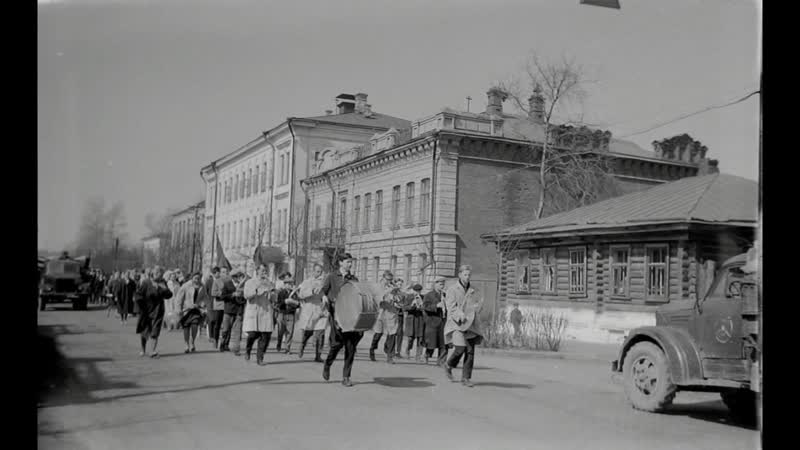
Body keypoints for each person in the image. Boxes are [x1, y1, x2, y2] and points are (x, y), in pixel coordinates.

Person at [321, 253, 361, 387]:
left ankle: (346, 377)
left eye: (351, 262)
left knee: (350, 347)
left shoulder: (353, 278)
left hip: (350, 315)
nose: (350, 264)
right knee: (336, 345)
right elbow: (322, 290)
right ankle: (328, 364)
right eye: (348, 262)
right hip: (336, 315)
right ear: (341, 263)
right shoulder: (332, 276)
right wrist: (324, 297)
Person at [443, 265, 484, 388]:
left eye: (469, 275)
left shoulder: (474, 289)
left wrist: (477, 308)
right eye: (465, 275)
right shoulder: (452, 289)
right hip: (457, 323)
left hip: (470, 323)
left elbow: (478, 303)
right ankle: (449, 365)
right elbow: (451, 307)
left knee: (470, 351)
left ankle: (466, 378)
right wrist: (460, 315)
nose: (467, 277)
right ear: (460, 275)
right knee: (460, 348)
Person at [134, 266, 173, 358]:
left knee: (155, 331)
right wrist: (141, 306)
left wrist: (162, 288)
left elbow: (169, 295)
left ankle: (152, 351)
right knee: (144, 331)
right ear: (153, 273)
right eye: (157, 273)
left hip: (158, 310)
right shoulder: (146, 282)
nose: (160, 276)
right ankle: (143, 350)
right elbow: (138, 295)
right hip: (146, 310)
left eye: (160, 274)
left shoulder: (163, 283)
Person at [243, 264, 275, 365]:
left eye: (265, 271)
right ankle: (248, 349)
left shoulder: (269, 283)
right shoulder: (250, 282)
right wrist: (256, 291)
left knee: (265, 336)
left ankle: (260, 358)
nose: (264, 272)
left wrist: (272, 293)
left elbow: (274, 298)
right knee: (253, 334)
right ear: (257, 271)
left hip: (265, 312)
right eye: (262, 271)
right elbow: (246, 295)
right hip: (254, 311)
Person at [297, 263, 328, 362]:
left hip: (320, 310)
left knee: (321, 333)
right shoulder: (307, 282)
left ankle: (318, 355)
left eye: (320, 272)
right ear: (313, 271)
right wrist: (312, 291)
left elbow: (325, 292)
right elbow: (301, 295)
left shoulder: (324, 283)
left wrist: (324, 297)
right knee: (308, 332)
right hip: (310, 310)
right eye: (317, 271)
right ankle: (302, 344)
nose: (319, 274)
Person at [369, 271, 401, 364]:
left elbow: (398, 298)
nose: (389, 282)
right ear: (383, 278)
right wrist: (387, 292)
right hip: (380, 312)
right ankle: (372, 349)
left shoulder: (392, 287)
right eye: (388, 280)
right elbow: (377, 299)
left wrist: (396, 297)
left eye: (391, 280)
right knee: (378, 334)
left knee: (392, 334)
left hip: (391, 313)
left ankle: (390, 356)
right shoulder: (377, 287)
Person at [176, 272, 208, 353]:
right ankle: (186, 344)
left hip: (196, 310)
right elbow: (179, 298)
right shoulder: (186, 286)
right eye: (195, 278)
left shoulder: (202, 286)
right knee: (186, 327)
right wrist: (178, 309)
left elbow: (205, 298)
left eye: (199, 278)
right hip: (187, 310)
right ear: (192, 278)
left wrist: (202, 304)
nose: (197, 280)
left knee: (195, 325)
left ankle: (192, 341)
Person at [422, 276, 448, 366]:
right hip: (432, 321)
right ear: (435, 285)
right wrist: (436, 306)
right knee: (432, 342)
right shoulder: (429, 295)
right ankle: (427, 355)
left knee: (444, 342)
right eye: (440, 284)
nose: (442, 286)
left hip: (444, 321)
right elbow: (425, 307)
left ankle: (441, 361)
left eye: (443, 284)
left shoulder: (445, 295)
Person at [217, 268, 241, 353]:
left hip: (237, 310)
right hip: (228, 309)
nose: (238, 278)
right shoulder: (227, 284)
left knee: (232, 329)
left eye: (239, 276)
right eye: (237, 276)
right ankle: (222, 344)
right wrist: (232, 295)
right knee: (226, 329)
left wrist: (240, 296)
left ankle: (227, 345)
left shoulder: (240, 285)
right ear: (233, 277)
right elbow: (222, 296)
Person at [275, 276, 299, 354]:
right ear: (284, 284)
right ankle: (279, 344)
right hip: (282, 314)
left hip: (291, 314)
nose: (289, 285)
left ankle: (287, 348)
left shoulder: (294, 293)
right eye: (287, 283)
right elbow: (278, 304)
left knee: (290, 332)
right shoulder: (281, 293)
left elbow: (298, 304)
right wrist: (285, 301)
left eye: (290, 283)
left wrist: (295, 303)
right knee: (280, 331)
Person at [402, 284, 426, 362]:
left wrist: (422, 306)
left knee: (420, 339)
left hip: (420, 320)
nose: (417, 292)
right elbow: (404, 308)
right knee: (410, 339)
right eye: (416, 291)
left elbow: (425, 308)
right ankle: (407, 351)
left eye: (419, 291)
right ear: (413, 290)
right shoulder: (409, 297)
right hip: (411, 320)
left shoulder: (423, 297)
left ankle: (418, 356)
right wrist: (412, 306)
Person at [208, 267, 228, 349]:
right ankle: (215, 340)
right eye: (223, 272)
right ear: (220, 273)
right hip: (219, 306)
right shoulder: (216, 281)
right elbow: (213, 293)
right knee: (217, 324)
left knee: (226, 326)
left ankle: (224, 343)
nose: (224, 273)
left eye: (226, 272)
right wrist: (222, 293)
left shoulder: (228, 281)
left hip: (227, 306)